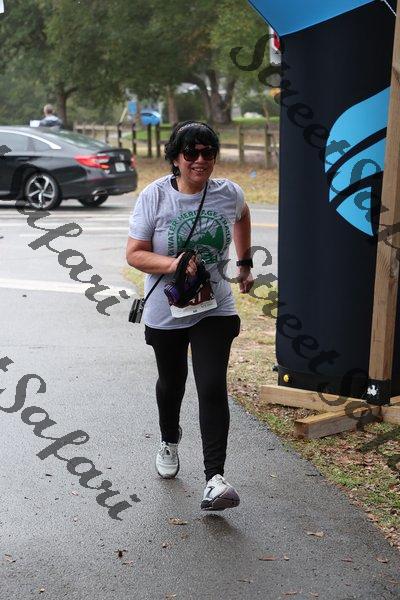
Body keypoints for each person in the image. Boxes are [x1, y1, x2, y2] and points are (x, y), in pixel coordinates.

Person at [126, 120, 253, 511]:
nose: (200, 160)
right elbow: (134, 253)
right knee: (172, 382)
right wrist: (173, 264)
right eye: (191, 153)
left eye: (208, 152)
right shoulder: (155, 197)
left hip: (215, 305)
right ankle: (169, 438)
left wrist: (244, 263)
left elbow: (243, 215)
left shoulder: (228, 193)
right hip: (167, 308)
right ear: (175, 158)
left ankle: (215, 479)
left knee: (212, 385)